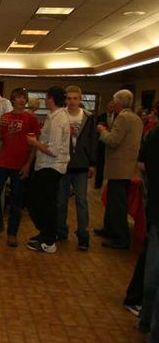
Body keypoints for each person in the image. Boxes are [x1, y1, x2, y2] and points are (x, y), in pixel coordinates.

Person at [0, 87, 40, 247]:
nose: (22, 100)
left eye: (24, 97)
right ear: (12, 100)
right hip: (3, 163)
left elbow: (34, 144)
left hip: (20, 164)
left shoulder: (31, 119)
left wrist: (28, 164)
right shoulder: (5, 117)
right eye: (18, 97)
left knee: (17, 200)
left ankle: (12, 233)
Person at [94, 89, 143, 249]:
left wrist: (102, 131)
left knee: (117, 204)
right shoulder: (136, 117)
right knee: (114, 201)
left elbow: (113, 140)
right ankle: (109, 229)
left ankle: (121, 238)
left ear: (118, 102)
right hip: (127, 167)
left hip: (119, 167)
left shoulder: (122, 117)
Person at [26, 86, 70, 253]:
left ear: (50, 98)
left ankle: (49, 240)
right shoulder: (54, 117)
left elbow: (53, 150)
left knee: (44, 204)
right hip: (45, 165)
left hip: (52, 167)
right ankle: (45, 233)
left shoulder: (59, 120)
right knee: (40, 202)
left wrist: (34, 142)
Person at [55, 85, 96, 251]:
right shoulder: (60, 116)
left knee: (81, 201)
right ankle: (60, 231)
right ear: (65, 99)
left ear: (80, 99)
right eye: (69, 98)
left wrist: (92, 163)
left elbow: (93, 141)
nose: (72, 101)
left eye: (75, 98)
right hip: (63, 165)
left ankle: (83, 235)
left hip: (81, 165)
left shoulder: (88, 117)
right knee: (61, 201)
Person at [138, 125, 159, 343]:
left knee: (153, 271)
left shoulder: (154, 136)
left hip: (155, 209)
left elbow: (143, 165)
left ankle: (146, 321)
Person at [94, 100, 117, 189]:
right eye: (110, 106)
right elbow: (96, 130)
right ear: (107, 107)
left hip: (113, 144)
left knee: (112, 165)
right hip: (102, 143)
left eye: (113, 106)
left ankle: (111, 184)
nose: (111, 108)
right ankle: (98, 183)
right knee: (100, 164)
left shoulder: (118, 117)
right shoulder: (101, 117)